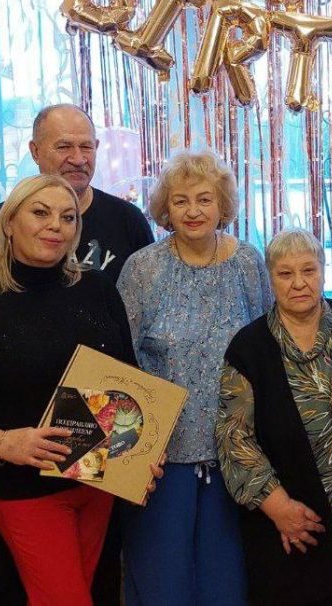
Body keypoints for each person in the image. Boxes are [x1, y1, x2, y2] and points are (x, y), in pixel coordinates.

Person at [0, 104, 152, 606]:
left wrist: (142, 451)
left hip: (96, 475)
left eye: (87, 145)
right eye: (64, 145)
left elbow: (128, 377)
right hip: (18, 480)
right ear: (9, 223)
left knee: (90, 590)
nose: (55, 226)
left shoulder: (100, 283)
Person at [117, 150, 272, 606]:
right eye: (180, 200)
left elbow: (266, 347)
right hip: (159, 456)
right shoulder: (142, 268)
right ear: (166, 208)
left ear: (223, 205)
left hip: (234, 452)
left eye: (204, 199)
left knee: (226, 585)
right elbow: (121, 358)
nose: (193, 211)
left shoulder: (248, 262)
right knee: (162, 584)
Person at [216, 228, 332, 606]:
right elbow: (234, 438)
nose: (298, 283)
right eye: (285, 273)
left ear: (323, 271)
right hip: (285, 524)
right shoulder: (248, 347)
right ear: (270, 278)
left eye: (308, 270)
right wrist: (279, 507)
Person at [0, 104, 153, 286]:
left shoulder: (128, 220)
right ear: (35, 151)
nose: (78, 159)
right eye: (64, 147)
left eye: (86, 147)